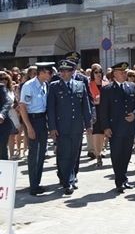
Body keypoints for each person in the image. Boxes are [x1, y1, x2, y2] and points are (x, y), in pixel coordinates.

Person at [47, 60, 92, 195]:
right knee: (64, 154)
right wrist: (52, 127)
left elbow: (86, 106)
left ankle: (69, 176)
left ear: (73, 72)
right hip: (61, 126)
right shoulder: (54, 86)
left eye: (67, 71)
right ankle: (67, 181)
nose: (64, 73)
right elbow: (51, 109)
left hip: (77, 126)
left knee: (74, 153)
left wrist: (88, 124)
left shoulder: (80, 85)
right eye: (62, 71)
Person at [99, 62, 135, 193]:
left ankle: (124, 178)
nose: (124, 74)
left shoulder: (132, 87)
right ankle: (119, 180)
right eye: (121, 72)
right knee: (117, 155)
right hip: (115, 128)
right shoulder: (107, 90)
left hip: (129, 128)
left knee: (127, 155)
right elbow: (103, 111)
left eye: (125, 72)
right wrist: (106, 128)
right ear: (114, 74)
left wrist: (134, 114)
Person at [19, 62, 54, 196]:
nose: (50, 75)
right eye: (48, 72)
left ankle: (37, 182)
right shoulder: (29, 86)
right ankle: (33, 185)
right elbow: (23, 107)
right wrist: (29, 127)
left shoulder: (44, 85)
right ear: (42, 72)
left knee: (41, 154)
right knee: (34, 154)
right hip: (32, 120)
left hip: (42, 120)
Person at [0, 73, 13, 160]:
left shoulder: (1, 87)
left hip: (2, 123)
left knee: (2, 148)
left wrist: (2, 114)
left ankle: (4, 172)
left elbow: (7, 102)